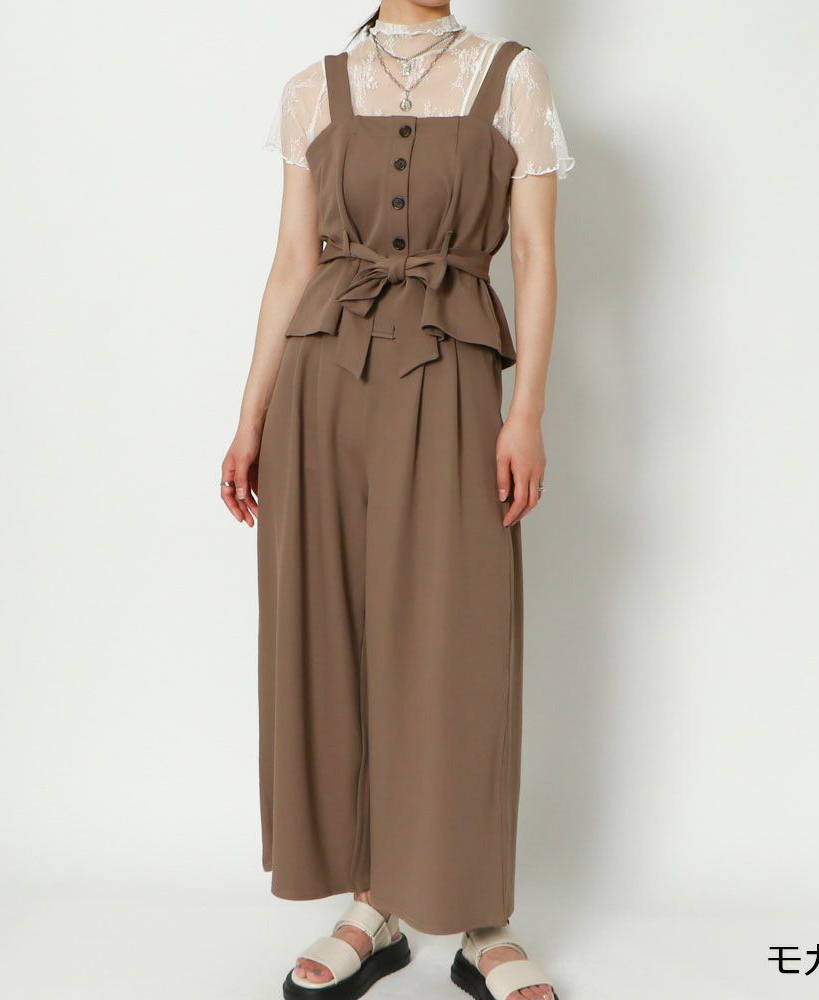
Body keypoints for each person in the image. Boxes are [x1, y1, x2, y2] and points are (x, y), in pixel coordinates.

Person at [221, 4, 573, 999]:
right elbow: (293, 265)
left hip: (452, 375)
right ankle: (369, 905)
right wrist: (250, 419)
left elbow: (534, 255)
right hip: (319, 384)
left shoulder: (512, 77)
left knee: (457, 640)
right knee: (331, 637)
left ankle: (479, 917)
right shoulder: (313, 89)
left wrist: (526, 411)